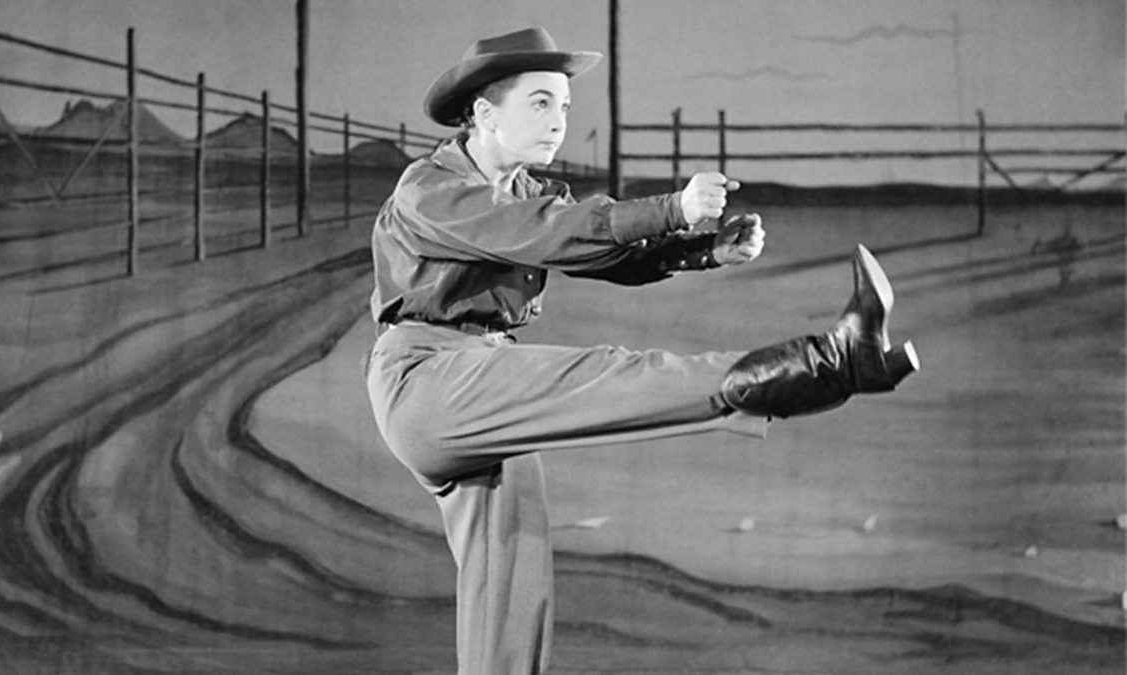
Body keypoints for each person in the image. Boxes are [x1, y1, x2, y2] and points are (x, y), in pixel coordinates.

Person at [364, 27, 919, 674]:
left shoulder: (529, 191)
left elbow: (603, 255)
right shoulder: (430, 188)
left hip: (485, 383)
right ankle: (827, 361)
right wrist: (674, 208)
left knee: (512, 583)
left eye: (564, 106)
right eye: (540, 103)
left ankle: (835, 365)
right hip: (426, 379)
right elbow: (549, 234)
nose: (558, 121)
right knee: (605, 375)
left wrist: (704, 249)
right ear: (485, 113)